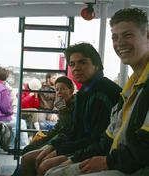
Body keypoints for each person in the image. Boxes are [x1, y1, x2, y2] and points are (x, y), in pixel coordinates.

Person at [44, 7, 149, 176]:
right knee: (52, 171)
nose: (119, 43)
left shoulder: (106, 93)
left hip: (136, 167)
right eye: (115, 37)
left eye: (128, 35)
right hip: (117, 158)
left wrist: (107, 161)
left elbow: (144, 148)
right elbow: (106, 138)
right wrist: (69, 156)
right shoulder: (130, 88)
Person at [20, 42, 122, 176]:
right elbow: (69, 128)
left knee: (44, 166)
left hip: (96, 150)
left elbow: (97, 139)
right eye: (72, 64)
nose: (76, 68)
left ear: (96, 65)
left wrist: (61, 150)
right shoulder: (82, 94)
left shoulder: (105, 93)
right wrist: (54, 145)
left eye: (82, 62)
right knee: (28, 155)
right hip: (78, 143)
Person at [22, 76, 75, 154]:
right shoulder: (62, 103)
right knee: (28, 148)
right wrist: (46, 137)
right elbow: (59, 125)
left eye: (63, 89)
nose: (59, 92)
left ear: (71, 91)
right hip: (57, 136)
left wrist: (50, 142)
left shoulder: (74, 105)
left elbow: (67, 128)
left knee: (29, 151)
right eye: (57, 90)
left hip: (65, 141)